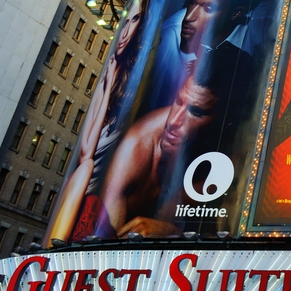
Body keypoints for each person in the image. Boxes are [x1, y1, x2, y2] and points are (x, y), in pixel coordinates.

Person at [46, 0, 151, 244]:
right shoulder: (109, 76)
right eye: (124, 22)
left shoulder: (135, 80)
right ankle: (52, 249)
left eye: (135, 21)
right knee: (85, 168)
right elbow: (85, 152)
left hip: (98, 205)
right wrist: (106, 88)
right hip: (79, 195)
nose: (124, 33)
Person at [99, 61, 237, 237]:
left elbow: (242, 242)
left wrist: (171, 233)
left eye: (195, 112)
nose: (173, 122)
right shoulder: (133, 149)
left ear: (225, 123)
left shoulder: (234, 160)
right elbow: (108, 245)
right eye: (178, 101)